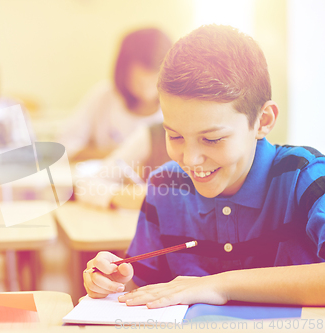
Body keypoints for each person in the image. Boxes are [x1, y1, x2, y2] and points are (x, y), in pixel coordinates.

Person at [83, 25, 325, 308]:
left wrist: (219, 285)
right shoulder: (165, 187)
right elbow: (144, 289)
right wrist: (112, 286)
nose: (189, 159)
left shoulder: (305, 177)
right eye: (174, 136)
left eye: (211, 139)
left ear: (263, 121)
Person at [58, 28, 172, 161]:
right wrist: (119, 156)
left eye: (154, 82)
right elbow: (64, 145)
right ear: (123, 72)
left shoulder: (175, 107)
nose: (147, 91)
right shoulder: (104, 97)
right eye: (139, 83)